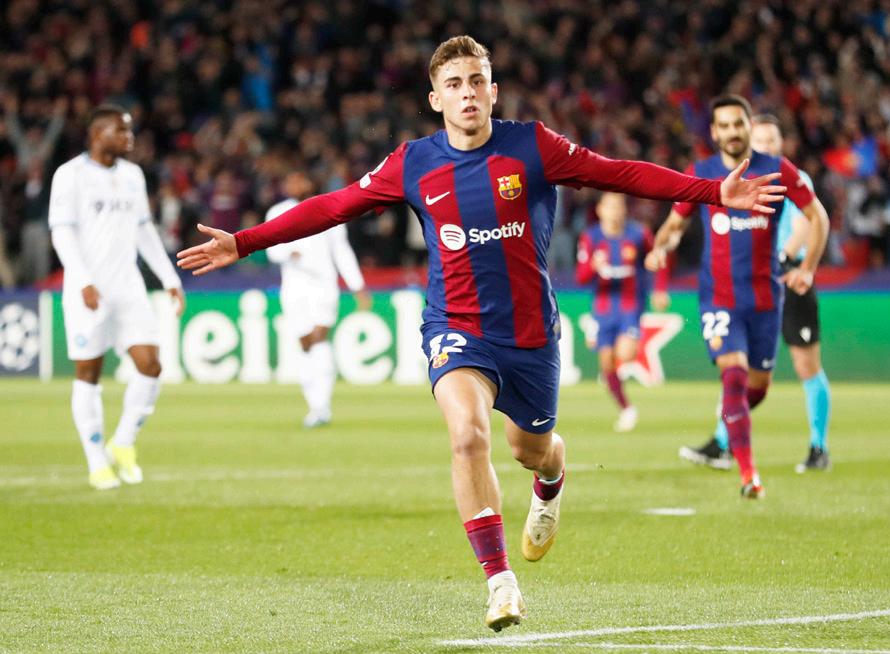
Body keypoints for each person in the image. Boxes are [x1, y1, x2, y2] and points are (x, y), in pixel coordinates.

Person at [177, 37, 784, 630]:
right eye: (453, 85)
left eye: (476, 82)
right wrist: (245, 241)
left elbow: (618, 173)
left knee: (530, 450)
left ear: (493, 91)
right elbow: (334, 205)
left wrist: (711, 192)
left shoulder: (533, 146)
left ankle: (552, 477)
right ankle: (500, 582)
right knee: (467, 436)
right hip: (455, 326)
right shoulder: (413, 162)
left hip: (531, 333)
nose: (466, 93)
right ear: (435, 99)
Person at [648, 95, 828, 498]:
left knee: (757, 387)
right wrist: (662, 248)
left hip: (765, 300)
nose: (732, 132)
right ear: (714, 132)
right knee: (734, 375)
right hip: (719, 298)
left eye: (738, 124)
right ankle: (749, 475)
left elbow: (818, 216)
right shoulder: (702, 173)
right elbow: (674, 225)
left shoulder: (778, 170)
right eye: (724, 126)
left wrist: (808, 267)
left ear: (749, 127)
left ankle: (731, 422)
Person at [49, 104, 185, 490]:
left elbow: (144, 230)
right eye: (121, 130)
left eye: (130, 130)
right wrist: (82, 279)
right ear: (97, 134)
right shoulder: (70, 175)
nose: (129, 137)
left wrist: (169, 277)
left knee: (151, 364)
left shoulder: (132, 175)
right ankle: (97, 461)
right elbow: (62, 232)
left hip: (128, 287)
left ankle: (123, 442)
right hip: (88, 290)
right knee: (88, 373)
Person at [750, 115, 832, 472]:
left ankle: (819, 447)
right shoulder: (744, 182)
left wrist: (784, 259)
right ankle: (722, 441)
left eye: (772, 140)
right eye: (760, 140)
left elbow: (805, 224)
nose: (766, 146)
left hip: (788, 277)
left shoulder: (794, 179)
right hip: (755, 280)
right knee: (742, 366)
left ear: (781, 143)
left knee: (806, 365)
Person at [265, 172, 371, 427]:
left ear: (310, 183)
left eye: (299, 180)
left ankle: (322, 406)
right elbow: (269, 247)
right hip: (294, 287)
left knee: (319, 338)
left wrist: (357, 285)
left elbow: (342, 250)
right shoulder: (277, 211)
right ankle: (314, 403)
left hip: (324, 285)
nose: (294, 184)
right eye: (290, 181)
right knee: (305, 344)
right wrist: (288, 252)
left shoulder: (329, 207)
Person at [575, 192, 653, 432]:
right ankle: (627, 409)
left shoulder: (639, 234)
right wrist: (592, 267)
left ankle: (620, 383)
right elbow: (581, 278)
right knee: (607, 364)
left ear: (625, 210)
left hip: (630, 305)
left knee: (626, 353)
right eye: (609, 206)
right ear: (600, 210)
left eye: (618, 206)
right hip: (603, 307)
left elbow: (657, 259)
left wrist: (659, 289)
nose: (614, 211)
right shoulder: (590, 237)